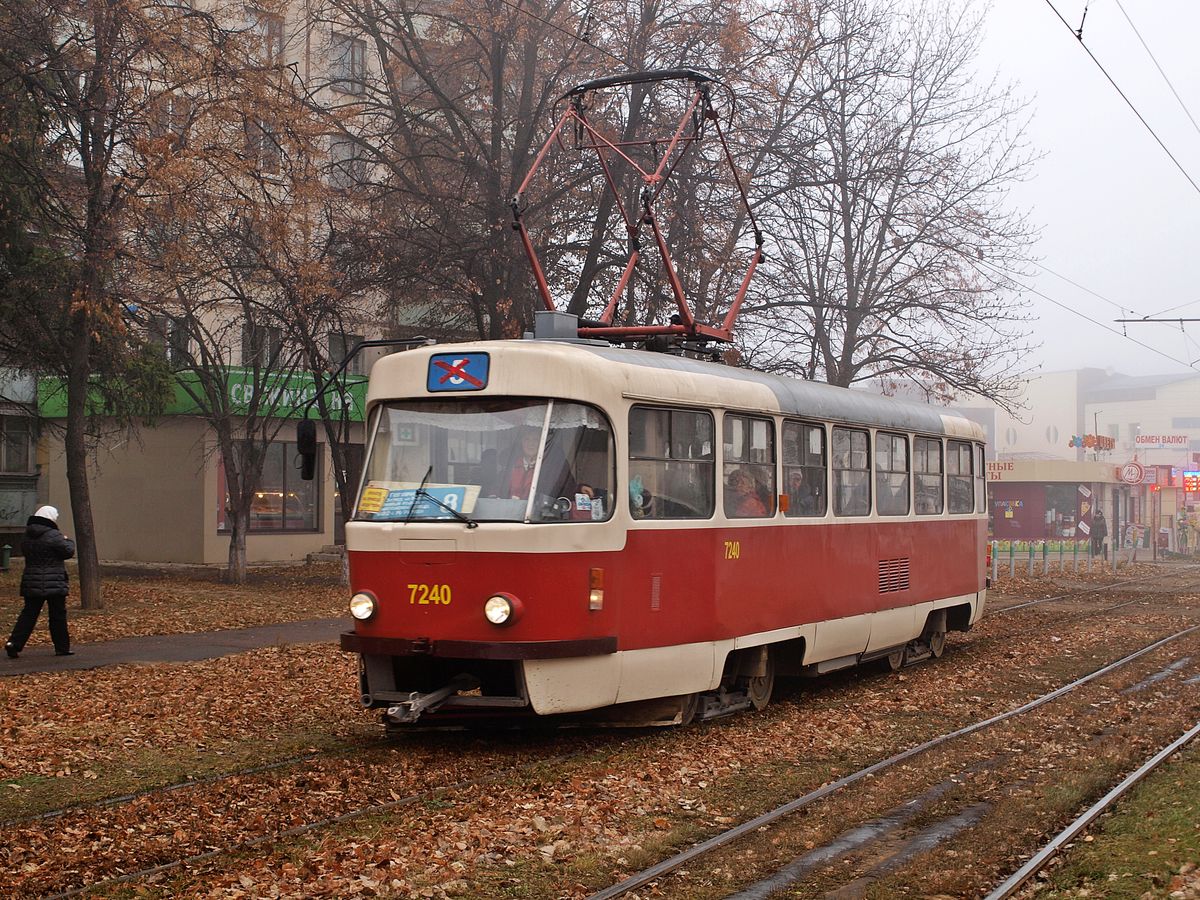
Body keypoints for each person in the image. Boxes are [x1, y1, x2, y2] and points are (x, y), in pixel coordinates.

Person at [6, 505, 76, 659]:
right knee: (57, 614)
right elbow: (68, 551)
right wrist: (67, 539)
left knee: (29, 614)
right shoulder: (54, 535)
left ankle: (14, 643)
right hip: (54, 580)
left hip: (32, 579)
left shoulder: (27, 536)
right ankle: (62, 647)